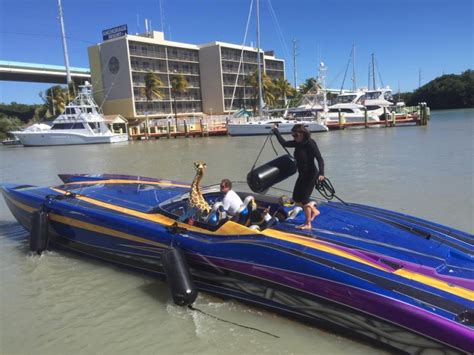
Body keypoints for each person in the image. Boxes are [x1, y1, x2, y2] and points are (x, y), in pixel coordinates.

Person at [272, 124, 325, 230]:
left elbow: (319, 159)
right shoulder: (297, 143)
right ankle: (314, 211)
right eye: (293, 135)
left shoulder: (310, 143)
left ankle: (307, 223)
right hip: (302, 174)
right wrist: (276, 131)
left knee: (304, 199)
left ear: (302, 133)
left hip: (311, 175)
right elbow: (284, 143)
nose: (294, 137)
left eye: (296, 135)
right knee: (296, 198)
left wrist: (321, 173)